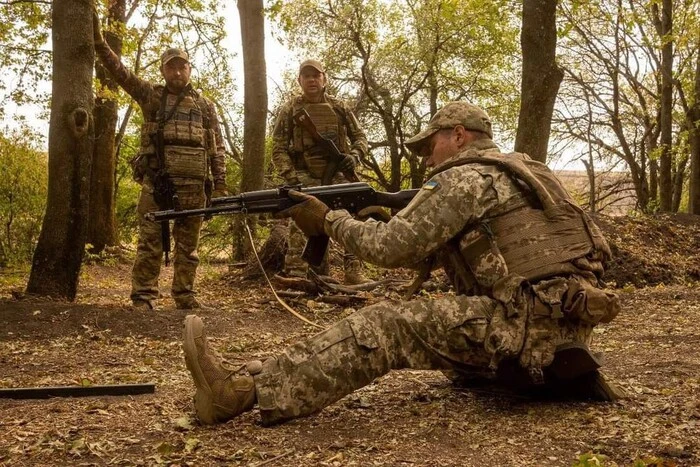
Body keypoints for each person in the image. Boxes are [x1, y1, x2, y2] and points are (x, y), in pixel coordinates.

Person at [182, 102, 623, 426]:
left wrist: (329, 220)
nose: (427, 160)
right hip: (566, 327)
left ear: (458, 135)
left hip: (521, 332)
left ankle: (239, 394)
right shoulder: (530, 172)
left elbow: (388, 250)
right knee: (436, 318)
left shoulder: (463, 178)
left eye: (431, 146)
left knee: (384, 327)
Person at [93, 15, 228, 310]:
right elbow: (122, 75)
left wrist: (220, 185)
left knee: (188, 248)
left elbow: (216, 147)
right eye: (171, 66)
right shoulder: (152, 97)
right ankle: (143, 296)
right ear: (163, 70)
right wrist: (100, 44)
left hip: (195, 188)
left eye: (182, 65)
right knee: (150, 244)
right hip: (158, 185)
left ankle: (185, 295)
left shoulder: (206, 106)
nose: (177, 71)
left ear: (189, 69)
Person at [271, 59, 370, 285]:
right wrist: (291, 176)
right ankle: (296, 274)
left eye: (316, 75)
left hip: (337, 174)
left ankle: (353, 271)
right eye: (307, 76)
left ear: (324, 79)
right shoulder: (290, 109)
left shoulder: (339, 107)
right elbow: (277, 147)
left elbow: (360, 138)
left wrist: (353, 157)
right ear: (300, 81)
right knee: (300, 220)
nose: (312, 80)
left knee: (350, 218)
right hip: (304, 174)